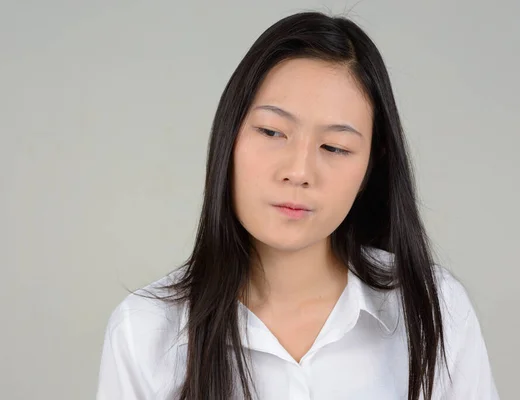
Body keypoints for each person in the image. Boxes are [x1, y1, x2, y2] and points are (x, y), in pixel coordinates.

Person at [95, 11, 499, 400]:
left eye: (335, 147)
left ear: (370, 168)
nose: (299, 170)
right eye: (272, 131)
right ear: (228, 137)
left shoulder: (434, 308)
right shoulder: (144, 330)